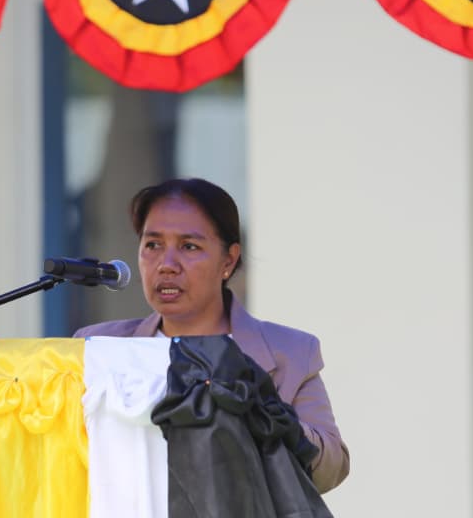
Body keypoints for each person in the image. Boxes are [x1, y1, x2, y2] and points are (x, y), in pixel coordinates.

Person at [74, 178, 350, 493]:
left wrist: (271, 418)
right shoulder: (98, 348)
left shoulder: (289, 351)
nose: (166, 265)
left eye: (189, 246)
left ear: (228, 260)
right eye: (153, 245)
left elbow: (330, 470)